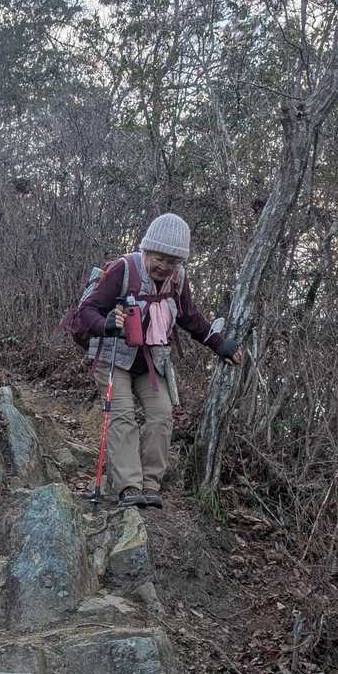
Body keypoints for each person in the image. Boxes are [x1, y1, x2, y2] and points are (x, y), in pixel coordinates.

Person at [78, 213, 242, 508]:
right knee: (122, 416)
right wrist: (106, 325)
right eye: (160, 258)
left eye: (173, 261)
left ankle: (150, 485)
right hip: (113, 356)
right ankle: (128, 486)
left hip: (151, 361)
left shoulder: (177, 279)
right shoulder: (124, 269)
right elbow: (87, 309)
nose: (164, 266)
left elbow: (190, 317)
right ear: (147, 250)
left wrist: (219, 344)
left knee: (162, 415)